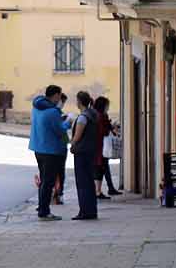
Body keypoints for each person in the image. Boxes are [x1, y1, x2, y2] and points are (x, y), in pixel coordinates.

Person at [28, 85, 68, 220]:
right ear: (56, 95)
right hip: (51, 150)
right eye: (59, 96)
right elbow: (60, 131)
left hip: (38, 147)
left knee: (44, 179)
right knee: (48, 181)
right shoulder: (53, 111)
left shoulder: (36, 107)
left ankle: (42, 206)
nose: (59, 100)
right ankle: (44, 211)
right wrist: (68, 122)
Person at [69, 91, 101, 220]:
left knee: (82, 183)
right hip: (91, 151)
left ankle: (84, 211)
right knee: (89, 181)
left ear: (79, 102)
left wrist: (72, 144)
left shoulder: (83, 117)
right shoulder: (93, 114)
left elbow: (77, 135)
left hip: (81, 152)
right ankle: (91, 210)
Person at [95, 95, 122, 197]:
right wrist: (109, 128)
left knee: (104, 167)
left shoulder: (100, 115)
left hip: (101, 146)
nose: (108, 107)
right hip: (101, 146)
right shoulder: (100, 116)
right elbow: (103, 131)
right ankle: (99, 190)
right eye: (107, 105)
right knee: (101, 167)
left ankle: (108, 188)